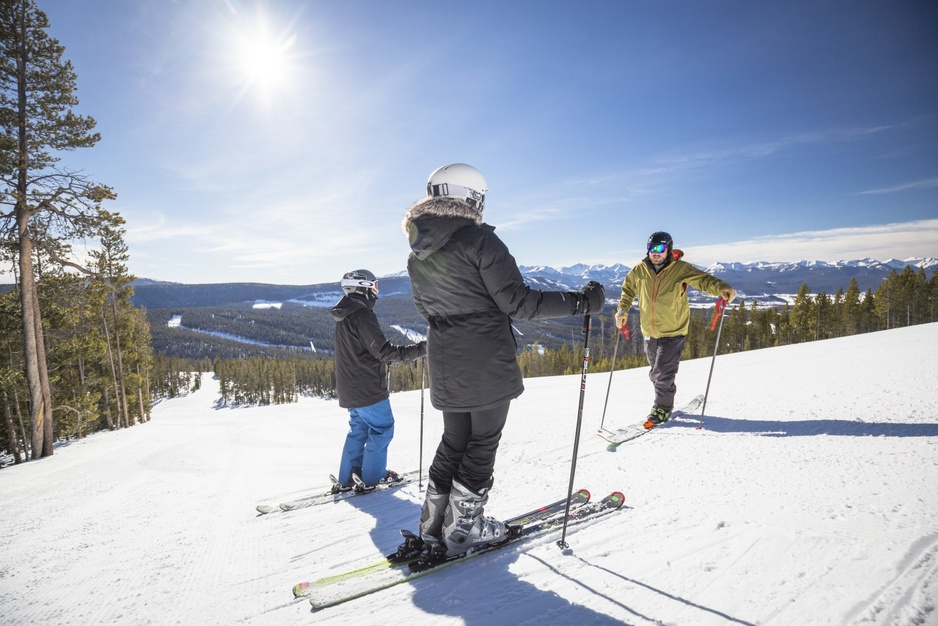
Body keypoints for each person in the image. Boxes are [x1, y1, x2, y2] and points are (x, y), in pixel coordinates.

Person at [400, 163, 605, 560]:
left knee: (455, 440)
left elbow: (426, 310)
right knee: (482, 443)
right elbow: (520, 303)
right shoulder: (480, 241)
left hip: (445, 359)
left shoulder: (418, 252)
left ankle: (432, 525)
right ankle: (463, 530)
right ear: (470, 197)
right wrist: (582, 301)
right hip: (485, 362)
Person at [614, 231, 736, 428]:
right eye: (652, 248)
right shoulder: (640, 270)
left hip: (673, 331)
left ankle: (662, 407)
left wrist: (722, 288)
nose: (656, 253)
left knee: (662, 372)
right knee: (655, 373)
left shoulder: (679, 269)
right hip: (649, 331)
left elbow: (703, 280)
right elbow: (628, 289)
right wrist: (623, 310)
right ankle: (665, 398)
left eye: (660, 249)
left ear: (668, 249)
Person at [331, 269, 426, 492]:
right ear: (362, 288)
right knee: (382, 429)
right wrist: (422, 349)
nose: (376, 292)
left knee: (358, 430)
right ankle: (373, 477)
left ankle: (347, 477)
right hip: (367, 389)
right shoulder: (362, 314)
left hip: (350, 388)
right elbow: (383, 351)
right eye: (373, 286)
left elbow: (363, 350)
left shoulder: (344, 314)